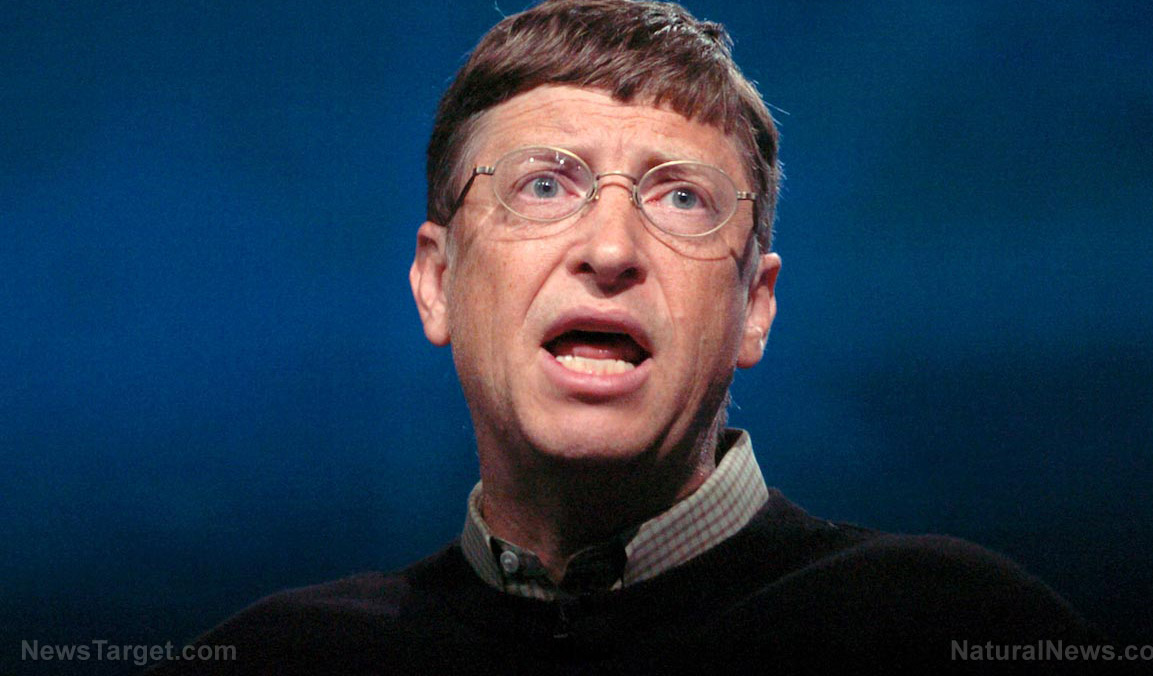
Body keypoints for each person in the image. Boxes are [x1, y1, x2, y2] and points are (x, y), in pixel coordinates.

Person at [150, 1, 1103, 673]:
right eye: (544, 185)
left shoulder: (945, 627)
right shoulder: (283, 658)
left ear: (755, 306)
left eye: (681, 198)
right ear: (438, 282)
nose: (610, 250)